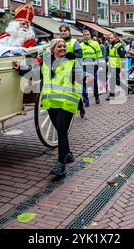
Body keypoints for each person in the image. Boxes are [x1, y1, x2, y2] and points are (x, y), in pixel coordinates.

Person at [12, 38, 83, 177]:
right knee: (59, 130)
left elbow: (80, 75)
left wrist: (85, 77)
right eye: (59, 46)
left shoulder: (73, 62)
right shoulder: (46, 63)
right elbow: (34, 74)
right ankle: (68, 154)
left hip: (66, 103)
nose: (63, 48)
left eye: (64, 46)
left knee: (61, 132)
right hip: (51, 102)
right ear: (52, 49)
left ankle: (60, 165)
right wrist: (20, 68)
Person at [59, 24, 85, 118]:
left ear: (69, 31)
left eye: (65, 30)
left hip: (73, 69)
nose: (63, 32)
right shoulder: (58, 42)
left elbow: (80, 56)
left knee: (74, 91)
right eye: (61, 31)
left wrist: (72, 55)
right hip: (61, 70)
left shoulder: (75, 42)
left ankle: (81, 107)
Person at [80, 29, 102, 106]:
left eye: (88, 34)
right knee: (83, 83)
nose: (86, 36)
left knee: (93, 82)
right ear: (83, 36)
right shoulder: (81, 45)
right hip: (84, 66)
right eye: (85, 35)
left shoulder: (95, 43)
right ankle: (86, 101)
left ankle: (96, 97)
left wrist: (98, 64)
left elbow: (99, 54)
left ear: (90, 35)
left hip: (93, 65)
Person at [105, 32, 126, 101]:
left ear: (116, 38)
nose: (110, 39)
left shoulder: (120, 46)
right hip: (111, 66)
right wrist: (106, 61)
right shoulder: (110, 46)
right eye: (109, 38)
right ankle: (126, 88)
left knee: (112, 80)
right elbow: (108, 55)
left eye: (111, 38)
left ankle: (112, 94)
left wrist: (122, 68)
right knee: (116, 80)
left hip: (117, 66)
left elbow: (122, 57)